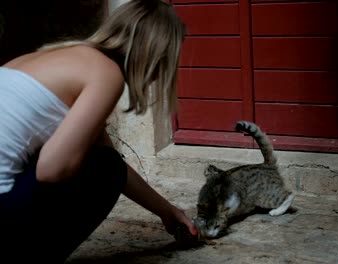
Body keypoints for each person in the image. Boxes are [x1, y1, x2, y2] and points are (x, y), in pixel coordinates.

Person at [0, 0, 196, 262]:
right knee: (104, 168)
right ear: (154, 54)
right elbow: (54, 169)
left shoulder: (47, 57)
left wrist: (166, 211)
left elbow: (106, 154)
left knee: (102, 161)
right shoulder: (106, 73)